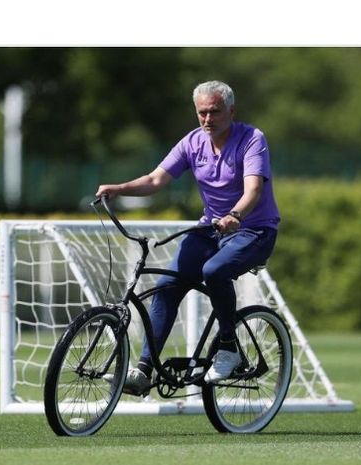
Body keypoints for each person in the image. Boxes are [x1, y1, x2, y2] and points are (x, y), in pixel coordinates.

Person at [96, 80, 280, 396]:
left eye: (215, 112)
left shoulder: (251, 139)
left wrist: (235, 216)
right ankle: (142, 371)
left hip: (254, 230)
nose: (208, 119)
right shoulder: (192, 143)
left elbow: (253, 190)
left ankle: (229, 348)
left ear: (231, 111)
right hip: (210, 229)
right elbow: (156, 179)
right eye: (202, 113)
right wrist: (119, 188)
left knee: (214, 271)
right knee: (167, 286)